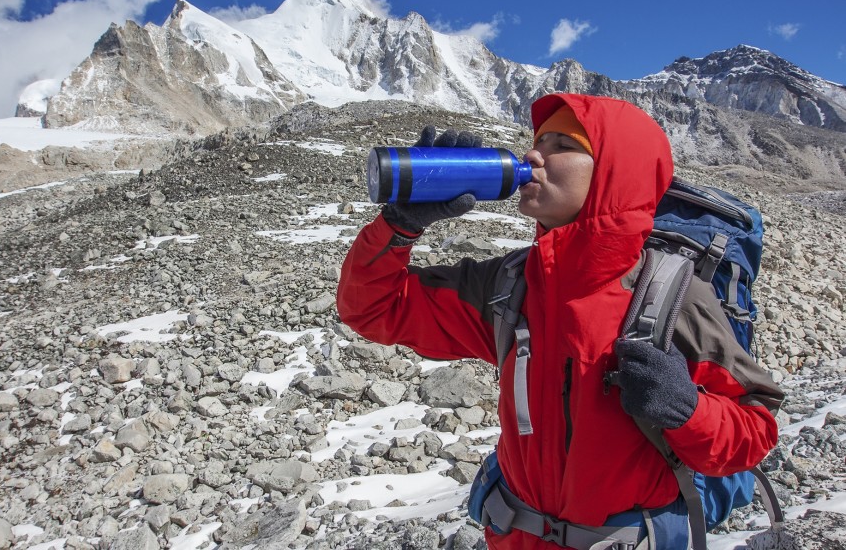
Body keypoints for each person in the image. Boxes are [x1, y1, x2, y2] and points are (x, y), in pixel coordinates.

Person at [336, 93, 784, 550]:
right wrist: (400, 225)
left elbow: (754, 432)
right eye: (538, 142)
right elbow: (374, 309)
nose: (534, 155)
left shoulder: (672, 294)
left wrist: (687, 411)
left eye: (562, 145)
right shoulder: (511, 283)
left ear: (614, 173)